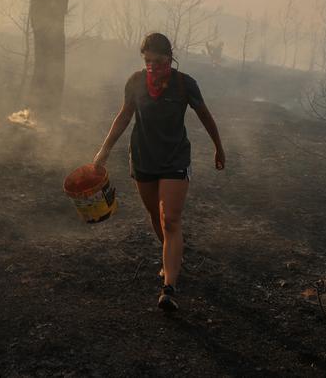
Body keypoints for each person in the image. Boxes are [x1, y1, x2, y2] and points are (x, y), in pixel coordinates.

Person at [93, 32, 226, 312]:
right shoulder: (136, 82)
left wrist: (218, 147)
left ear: (169, 56)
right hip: (143, 157)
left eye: (157, 59)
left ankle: (170, 286)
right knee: (156, 215)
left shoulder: (184, 84)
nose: (152, 65)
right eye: (147, 60)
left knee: (170, 220)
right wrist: (104, 151)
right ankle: (172, 258)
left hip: (175, 158)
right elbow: (124, 116)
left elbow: (206, 116)